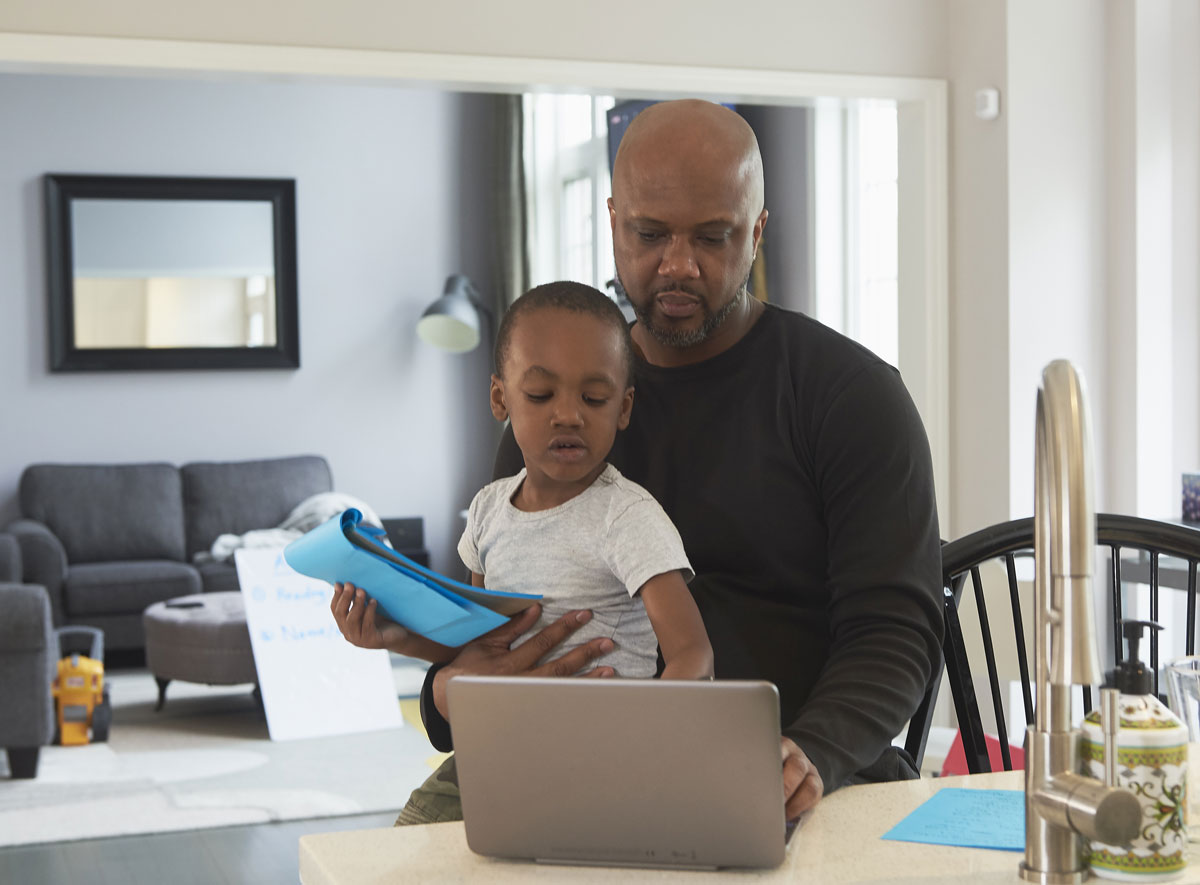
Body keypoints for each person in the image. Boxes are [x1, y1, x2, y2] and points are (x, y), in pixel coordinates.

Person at [332, 98, 943, 824]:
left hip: (787, 768)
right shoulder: (554, 412)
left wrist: (811, 749)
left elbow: (894, 631)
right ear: (615, 217)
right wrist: (443, 686)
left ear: (758, 230)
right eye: (650, 234)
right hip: (552, 760)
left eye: (714, 236)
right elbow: (489, 622)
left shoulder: (850, 397)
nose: (677, 265)